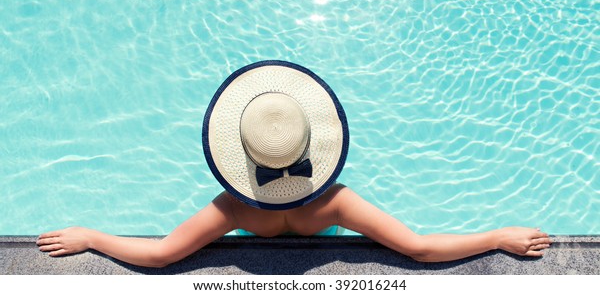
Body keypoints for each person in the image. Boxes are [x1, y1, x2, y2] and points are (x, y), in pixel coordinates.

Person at [37, 61, 551, 268]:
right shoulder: (334, 201)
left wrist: (93, 237)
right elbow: (417, 248)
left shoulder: (234, 207)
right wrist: (495, 237)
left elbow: (164, 255)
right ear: (312, 148)